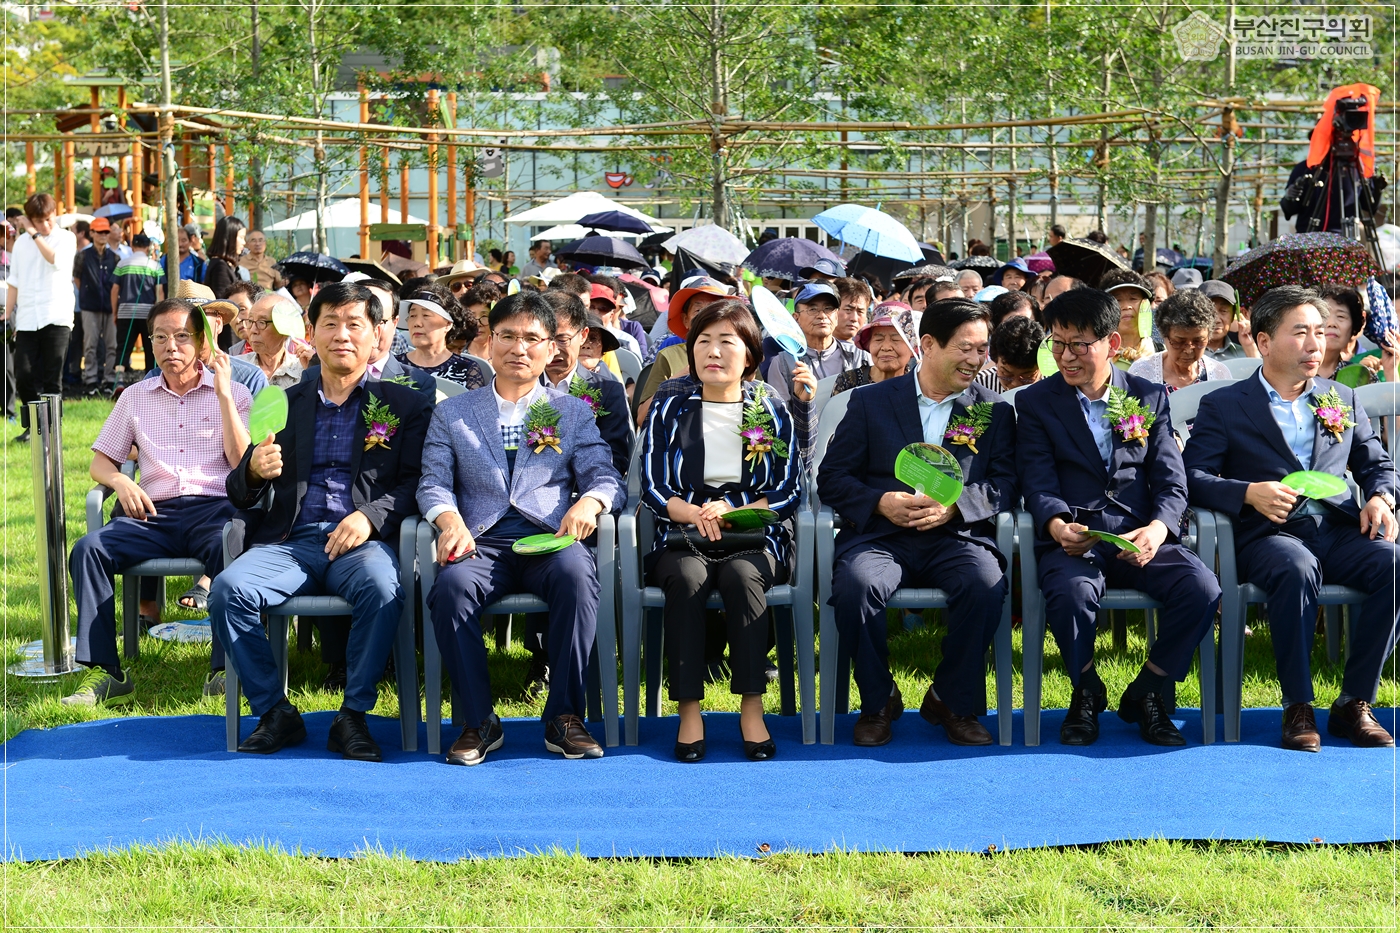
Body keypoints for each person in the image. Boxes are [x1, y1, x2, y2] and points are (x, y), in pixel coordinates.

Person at [209, 282, 433, 760]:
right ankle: (274, 712)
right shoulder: (284, 401)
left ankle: (352, 715)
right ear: (310, 333)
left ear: (377, 334)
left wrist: (369, 517)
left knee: (383, 588)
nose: (342, 335)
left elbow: (417, 481)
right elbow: (239, 491)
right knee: (228, 590)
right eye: (330, 324)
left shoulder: (404, 405)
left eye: (354, 325)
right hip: (291, 542)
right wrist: (254, 470)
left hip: (361, 543)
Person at [1185, 285, 1399, 750]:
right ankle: (1298, 705)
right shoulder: (1226, 405)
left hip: (1337, 529)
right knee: (1296, 566)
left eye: (1321, 332)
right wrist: (1247, 493)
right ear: (1263, 342)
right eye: (1300, 332)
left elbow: (1377, 465)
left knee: (1395, 564)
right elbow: (1191, 476)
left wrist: (1381, 497)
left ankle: (1354, 702)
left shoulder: (1340, 396)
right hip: (1269, 536)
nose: (1315, 343)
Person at [418, 291, 622, 766]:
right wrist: (449, 520)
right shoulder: (453, 412)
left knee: (578, 578)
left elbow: (604, 474)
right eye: (507, 336)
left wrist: (590, 502)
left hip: (550, 538)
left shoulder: (573, 411)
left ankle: (564, 716)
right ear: (489, 342)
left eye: (532, 338)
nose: (519, 348)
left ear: (551, 348)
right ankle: (478, 721)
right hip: (481, 540)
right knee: (451, 588)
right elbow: (432, 481)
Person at [1015, 287, 1221, 747]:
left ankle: (1149, 688)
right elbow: (1036, 479)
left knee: (1202, 588)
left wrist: (1159, 528)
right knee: (1071, 594)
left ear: (1111, 342)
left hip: (1140, 535)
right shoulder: (1036, 403)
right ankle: (1086, 688)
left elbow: (1171, 480)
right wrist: (1056, 525)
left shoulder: (1147, 396)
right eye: (1057, 343)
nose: (1066, 356)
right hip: (1076, 539)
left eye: (1079, 344)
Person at [819, 298, 1017, 747]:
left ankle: (952, 700)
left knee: (985, 584)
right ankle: (878, 701)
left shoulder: (994, 410)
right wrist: (879, 502)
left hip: (956, 537)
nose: (976, 360)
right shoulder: (870, 402)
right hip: (881, 536)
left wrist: (956, 506)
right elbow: (831, 478)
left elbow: (1006, 483)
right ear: (928, 344)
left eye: (982, 349)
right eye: (965, 348)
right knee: (856, 586)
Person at [63, 299, 251, 706]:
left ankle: (225, 669)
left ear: (201, 341)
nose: (171, 347)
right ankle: (106, 672)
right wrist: (120, 481)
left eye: (182, 337)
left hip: (214, 508)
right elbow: (101, 462)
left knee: (232, 541)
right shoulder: (135, 396)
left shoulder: (233, 392)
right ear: (150, 343)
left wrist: (222, 396)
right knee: (88, 549)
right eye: (161, 337)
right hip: (153, 512)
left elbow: (242, 463)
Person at [640, 299, 803, 761]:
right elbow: (653, 484)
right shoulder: (670, 408)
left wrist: (733, 511)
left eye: (726, 341)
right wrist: (695, 513)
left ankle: (752, 708)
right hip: (682, 533)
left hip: (753, 535)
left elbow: (788, 488)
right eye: (703, 341)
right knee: (687, 577)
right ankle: (689, 711)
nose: (713, 351)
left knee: (743, 577)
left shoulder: (770, 410)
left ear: (749, 354)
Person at [5, 193, 77, 443]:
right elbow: (14, 281)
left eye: (48, 219)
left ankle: (52, 432)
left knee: (51, 378)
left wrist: (34, 233)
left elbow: (54, 260)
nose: (45, 225)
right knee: (23, 374)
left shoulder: (66, 238)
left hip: (56, 316)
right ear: (30, 218)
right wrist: (7, 313)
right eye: (38, 221)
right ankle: (35, 427)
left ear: (54, 214)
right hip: (27, 318)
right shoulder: (21, 244)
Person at [634, 275, 731, 423]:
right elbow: (642, 418)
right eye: (698, 310)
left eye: (713, 310)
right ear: (686, 320)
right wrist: (678, 379)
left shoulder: (738, 354)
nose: (705, 317)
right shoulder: (668, 355)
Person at [767, 282, 869, 404]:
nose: (822, 315)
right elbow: (781, 411)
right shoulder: (783, 363)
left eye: (828, 309)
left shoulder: (860, 357)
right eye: (813, 309)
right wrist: (803, 402)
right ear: (796, 318)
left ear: (836, 317)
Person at [1128, 290, 1231, 391]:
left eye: (1198, 341)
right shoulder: (1141, 373)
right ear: (1164, 335)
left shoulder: (1219, 375)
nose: (1188, 350)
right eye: (1179, 342)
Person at [397, 282, 488, 390]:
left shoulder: (467, 369)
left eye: (426, 315)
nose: (417, 323)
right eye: (412, 315)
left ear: (448, 324)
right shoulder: (395, 365)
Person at [110, 233, 166, 378]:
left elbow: (115, 289)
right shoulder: (155, 266)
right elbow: (159, 292)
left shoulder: (122, 264)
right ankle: (151, 379)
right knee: (150, 348)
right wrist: (159, 315)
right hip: (148, 314)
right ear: (148, 247)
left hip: (125, 312)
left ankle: (119, 380)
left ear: (132, 246)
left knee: (123, 348)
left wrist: (115, 312)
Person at [832, 301, 918, 395]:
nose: (886, 347)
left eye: (895, 339)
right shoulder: (847, 381)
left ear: (912, 346)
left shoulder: (918, 385)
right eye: (879, 339)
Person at [75, 215, 119, 396]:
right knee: (90, 344)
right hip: (90, 306)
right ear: (91, 233)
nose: (103, 235)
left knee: (112, 345)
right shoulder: (83, 255)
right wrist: (87, 294)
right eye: (99, 232)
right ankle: (91, 379)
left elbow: (117, 283)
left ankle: (109, 379)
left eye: (106, 232)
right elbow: (77, 278)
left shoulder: (115, 257)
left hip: (110, 307)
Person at [239, 292, 307, 389]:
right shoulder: (236, 369)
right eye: (250, 321)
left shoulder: (303, 369)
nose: (253, 330)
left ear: (284, 328)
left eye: (262, 322)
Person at [1099, 270, 1158, 368]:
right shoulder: (1097, 355)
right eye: (1118, 300)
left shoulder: (1162, 353)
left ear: (1146, 303)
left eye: (1133, 298)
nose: (1127, 306)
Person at [975, 315, 1045, 393]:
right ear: (996, 362)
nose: (1015, 384)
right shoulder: (978, 386)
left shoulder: (1053, 387)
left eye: (1027, 377)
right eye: (1006, 375)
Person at [1198, 281, 1250, 361]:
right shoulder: (1185, 354)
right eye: (1209, 311)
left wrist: (1250, 347)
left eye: (1223, 311)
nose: (1216, 320)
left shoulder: (1245, 354)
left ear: (1233, 315)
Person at [202, 216, 248, 299]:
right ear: (229, 238)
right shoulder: (220, 267)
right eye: (241, 237)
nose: (244, 242)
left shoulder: (224, 264)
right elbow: (222, 301)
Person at [223, 280, 264, 356]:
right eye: (232, 314)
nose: (237, 320)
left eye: (242, 309)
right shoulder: (233, 355)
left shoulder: (283, 346)